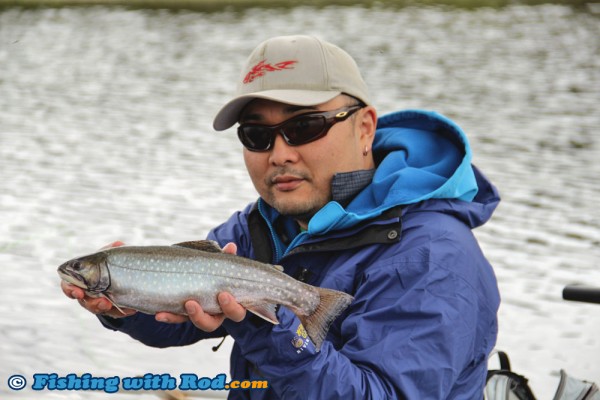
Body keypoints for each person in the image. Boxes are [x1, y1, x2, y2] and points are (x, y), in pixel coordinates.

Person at [61, 35, 501, 399]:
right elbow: (177, 326)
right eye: (257, 135)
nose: (280, 154)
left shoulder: (433, 258)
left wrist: (260, 320)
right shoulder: (260, 224)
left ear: (365, 128)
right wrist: (123, 304)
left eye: (305, 126)